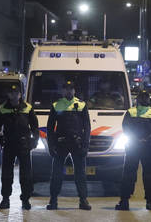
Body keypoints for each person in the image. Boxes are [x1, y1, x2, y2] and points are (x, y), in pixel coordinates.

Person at [115, 90, 151, 211]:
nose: (143, 100)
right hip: (147, 147)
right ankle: (150, 202)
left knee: (129, 173)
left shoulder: (131, 112)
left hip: (134, 146)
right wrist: (147, 140)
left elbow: (125, 127)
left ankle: (125, 201)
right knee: (149, 175)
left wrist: (137, 139)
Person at [0, 84, 39, 210]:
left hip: (24, 145)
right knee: (6, 174)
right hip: (9, 145)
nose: (14, 95)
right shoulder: (2, 108)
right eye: (11, 93)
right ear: (8, 94)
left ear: (20, 94)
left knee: (26, 175)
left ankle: (25, 200)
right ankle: (5, 199)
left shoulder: (28, 108)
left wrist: (35, 141)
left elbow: (35, 127)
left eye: (16, 93)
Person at [46, 80, 91, 210]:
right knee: (56, 174)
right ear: (62, 91)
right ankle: (53, 200)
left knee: (80, 174)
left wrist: (85, 145)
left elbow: (87, 127)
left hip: (77, 144)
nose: (69, 91)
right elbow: (50, 128)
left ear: (74, 90)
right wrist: (51, 146)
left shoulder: (81, 105)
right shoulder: (56, 105)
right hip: (61, 144)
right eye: (66, 89)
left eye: (71, 89)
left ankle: (83, 200)